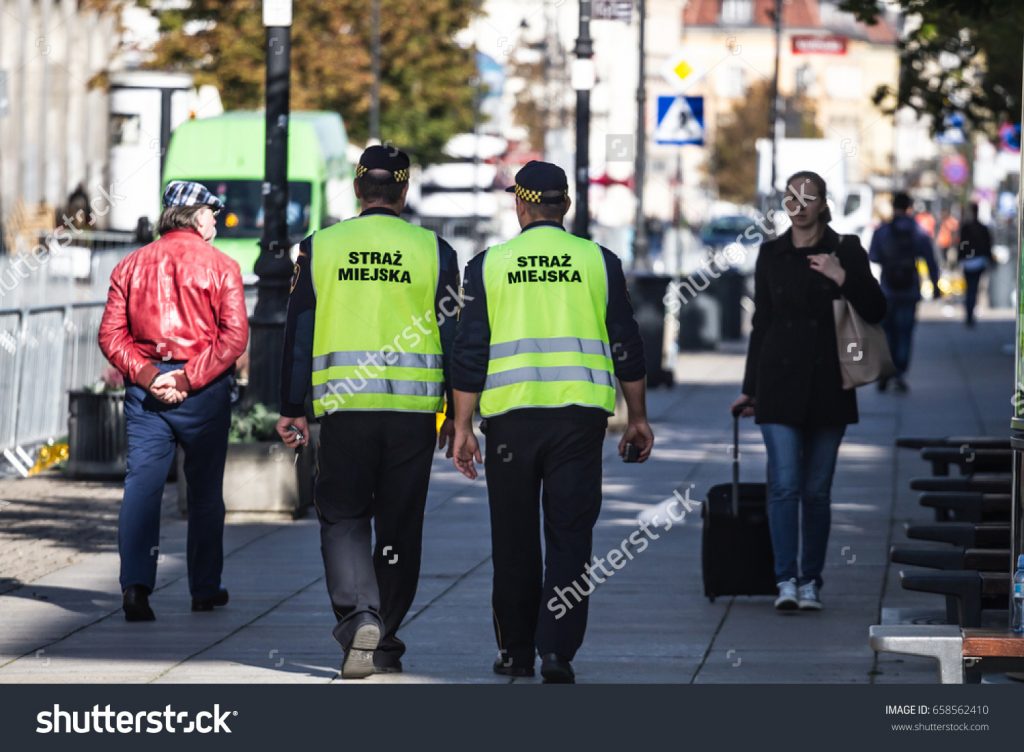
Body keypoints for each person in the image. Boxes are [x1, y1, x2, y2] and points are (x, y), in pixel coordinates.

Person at [450, 161, 654, 683]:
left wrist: (462, 427)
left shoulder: (488, 265)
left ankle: (515, 651)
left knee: (514, 538)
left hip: (511, 423)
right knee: (570, 536)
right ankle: (557, 651)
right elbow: (626, 343)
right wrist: (638, 417)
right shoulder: (598, 260)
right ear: (565, 206)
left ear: (519, 205)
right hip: (578, 421)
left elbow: (469, 351)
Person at [275, 145, 459, 680]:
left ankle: (359, 615)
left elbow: (298, 333)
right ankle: (386, 638)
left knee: (343, 517)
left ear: (358, 188)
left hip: (342, 409)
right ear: (403, 191)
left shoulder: (320, 247)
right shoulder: (433, 250)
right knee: (401, 525)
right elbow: (454, 334)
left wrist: (292, 407)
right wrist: (462, 415)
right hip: (413, 413)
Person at [731, 171, 886, 612]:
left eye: (807, 196)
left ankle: (810, 580)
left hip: (829, 385)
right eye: (790, 196)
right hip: (777, 385)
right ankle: (784, 580)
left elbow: (877, 310)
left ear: (823, 203)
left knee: (817, 490)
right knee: (784, 485)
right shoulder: (771, 253)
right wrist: (750, 389)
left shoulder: (846, 249)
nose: (797, 204)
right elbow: (762, 323)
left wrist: (844, 278)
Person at [98, 180, 249, 622]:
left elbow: (110, 336)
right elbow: (234, 337)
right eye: (212, 212)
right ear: (196, 216)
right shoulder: (222, 266)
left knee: (141, 488)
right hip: (201, 391)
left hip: (147, 393)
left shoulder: (130, 265)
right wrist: (189, 375)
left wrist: (149, 375)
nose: (217, 219)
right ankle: (204, 588)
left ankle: (136, 587)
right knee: (204, 493)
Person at [868, 191, 941, 392]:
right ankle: (899, 373)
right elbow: (931, 260)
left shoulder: (882, 231)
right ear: (910, 207)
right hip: (909, 289)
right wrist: (935, 285)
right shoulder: (918, 231)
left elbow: (873, 256)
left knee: (887, 333)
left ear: (893, 206)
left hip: (887, 290)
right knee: (905, 333)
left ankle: (885, 371)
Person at [955, 202, 993, 327]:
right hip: (979, 261)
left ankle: (969, 314)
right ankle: (970, 314)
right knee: (974, 288)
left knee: (969, 289)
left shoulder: (966, 227)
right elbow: (988, 245)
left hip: (968, 262)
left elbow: (961, 245)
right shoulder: (982, 228)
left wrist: (960, 258)